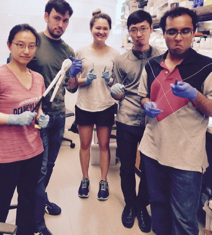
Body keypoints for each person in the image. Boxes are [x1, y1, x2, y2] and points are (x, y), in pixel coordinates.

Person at [138, 7, 212, 235]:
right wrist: (145, 104)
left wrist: (195, 95)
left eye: (185, 31)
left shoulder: (206, 67)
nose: (178, 37)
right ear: (163, 33)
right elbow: (143, 96)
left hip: (186, 159)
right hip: (153, 151)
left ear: (194, 32)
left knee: (184, 220)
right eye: (172, 31)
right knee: (159, 209)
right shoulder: (151, 65)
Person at [27, 1, 81, 234]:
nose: (61, 24)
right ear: (47, 16)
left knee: (49, 166)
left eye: (65, 20)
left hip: (59, 116)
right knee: (39, 170)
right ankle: (36, 222)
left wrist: (74, 76)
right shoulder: (32, 43)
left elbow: (70, 89)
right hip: (37, 118)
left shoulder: (68, 50)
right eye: (57, 18)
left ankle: (40, 201)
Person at [110, 10, 161, 233]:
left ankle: (143, 205)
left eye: (143, 28)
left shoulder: (162, 58)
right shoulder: (121, 60)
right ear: (128, 32)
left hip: (154, 121)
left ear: (151, 28)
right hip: (127, 119)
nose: (138, 34)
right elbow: (117, 95)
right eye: (133, 30)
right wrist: (113, 91)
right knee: (127, 166)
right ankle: (130, 203)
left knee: (150, 167)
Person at [0, 24, 49, 235]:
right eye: (20, 45)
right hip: (6, 155)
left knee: (27, 201)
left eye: (31, 46)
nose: (26, 51)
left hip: (33, 151)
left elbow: (37, 109)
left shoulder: (38, 78)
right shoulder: (2, 76)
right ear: (9, 45)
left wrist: (41, 118)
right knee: (1, 202)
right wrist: (12, 118)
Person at [75, 9, 120, 201]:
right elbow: (73, 81)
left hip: (105, 105)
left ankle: (103, 181)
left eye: (105, 28)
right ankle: (85, 179)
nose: (101, 31)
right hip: (85, 104)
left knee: (103, 145)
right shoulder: (81, 52)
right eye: (98, 28)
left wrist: (110, 81)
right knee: (85, 144)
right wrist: (84, 80)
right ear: (91, 28)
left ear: (109, 30)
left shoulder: (116, 54)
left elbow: (118, 85)